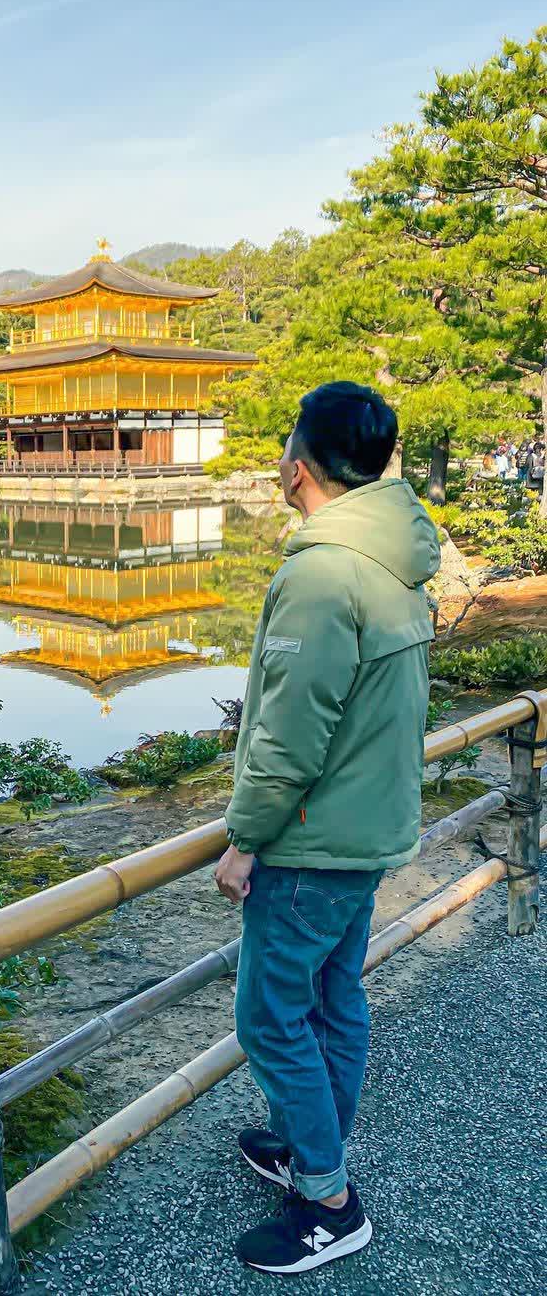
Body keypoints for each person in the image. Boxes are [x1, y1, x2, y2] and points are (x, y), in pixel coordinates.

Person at [215, 380, 440, 1275]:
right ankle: (313, 1153)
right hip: (369, 827)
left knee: (271, 1020)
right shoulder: (394, 555)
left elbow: (287, 730)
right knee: (335, 1002)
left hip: (310, 840)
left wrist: (243, 839)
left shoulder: (322, 571)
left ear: (298, 465)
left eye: (282, 446)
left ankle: (329, 1204)